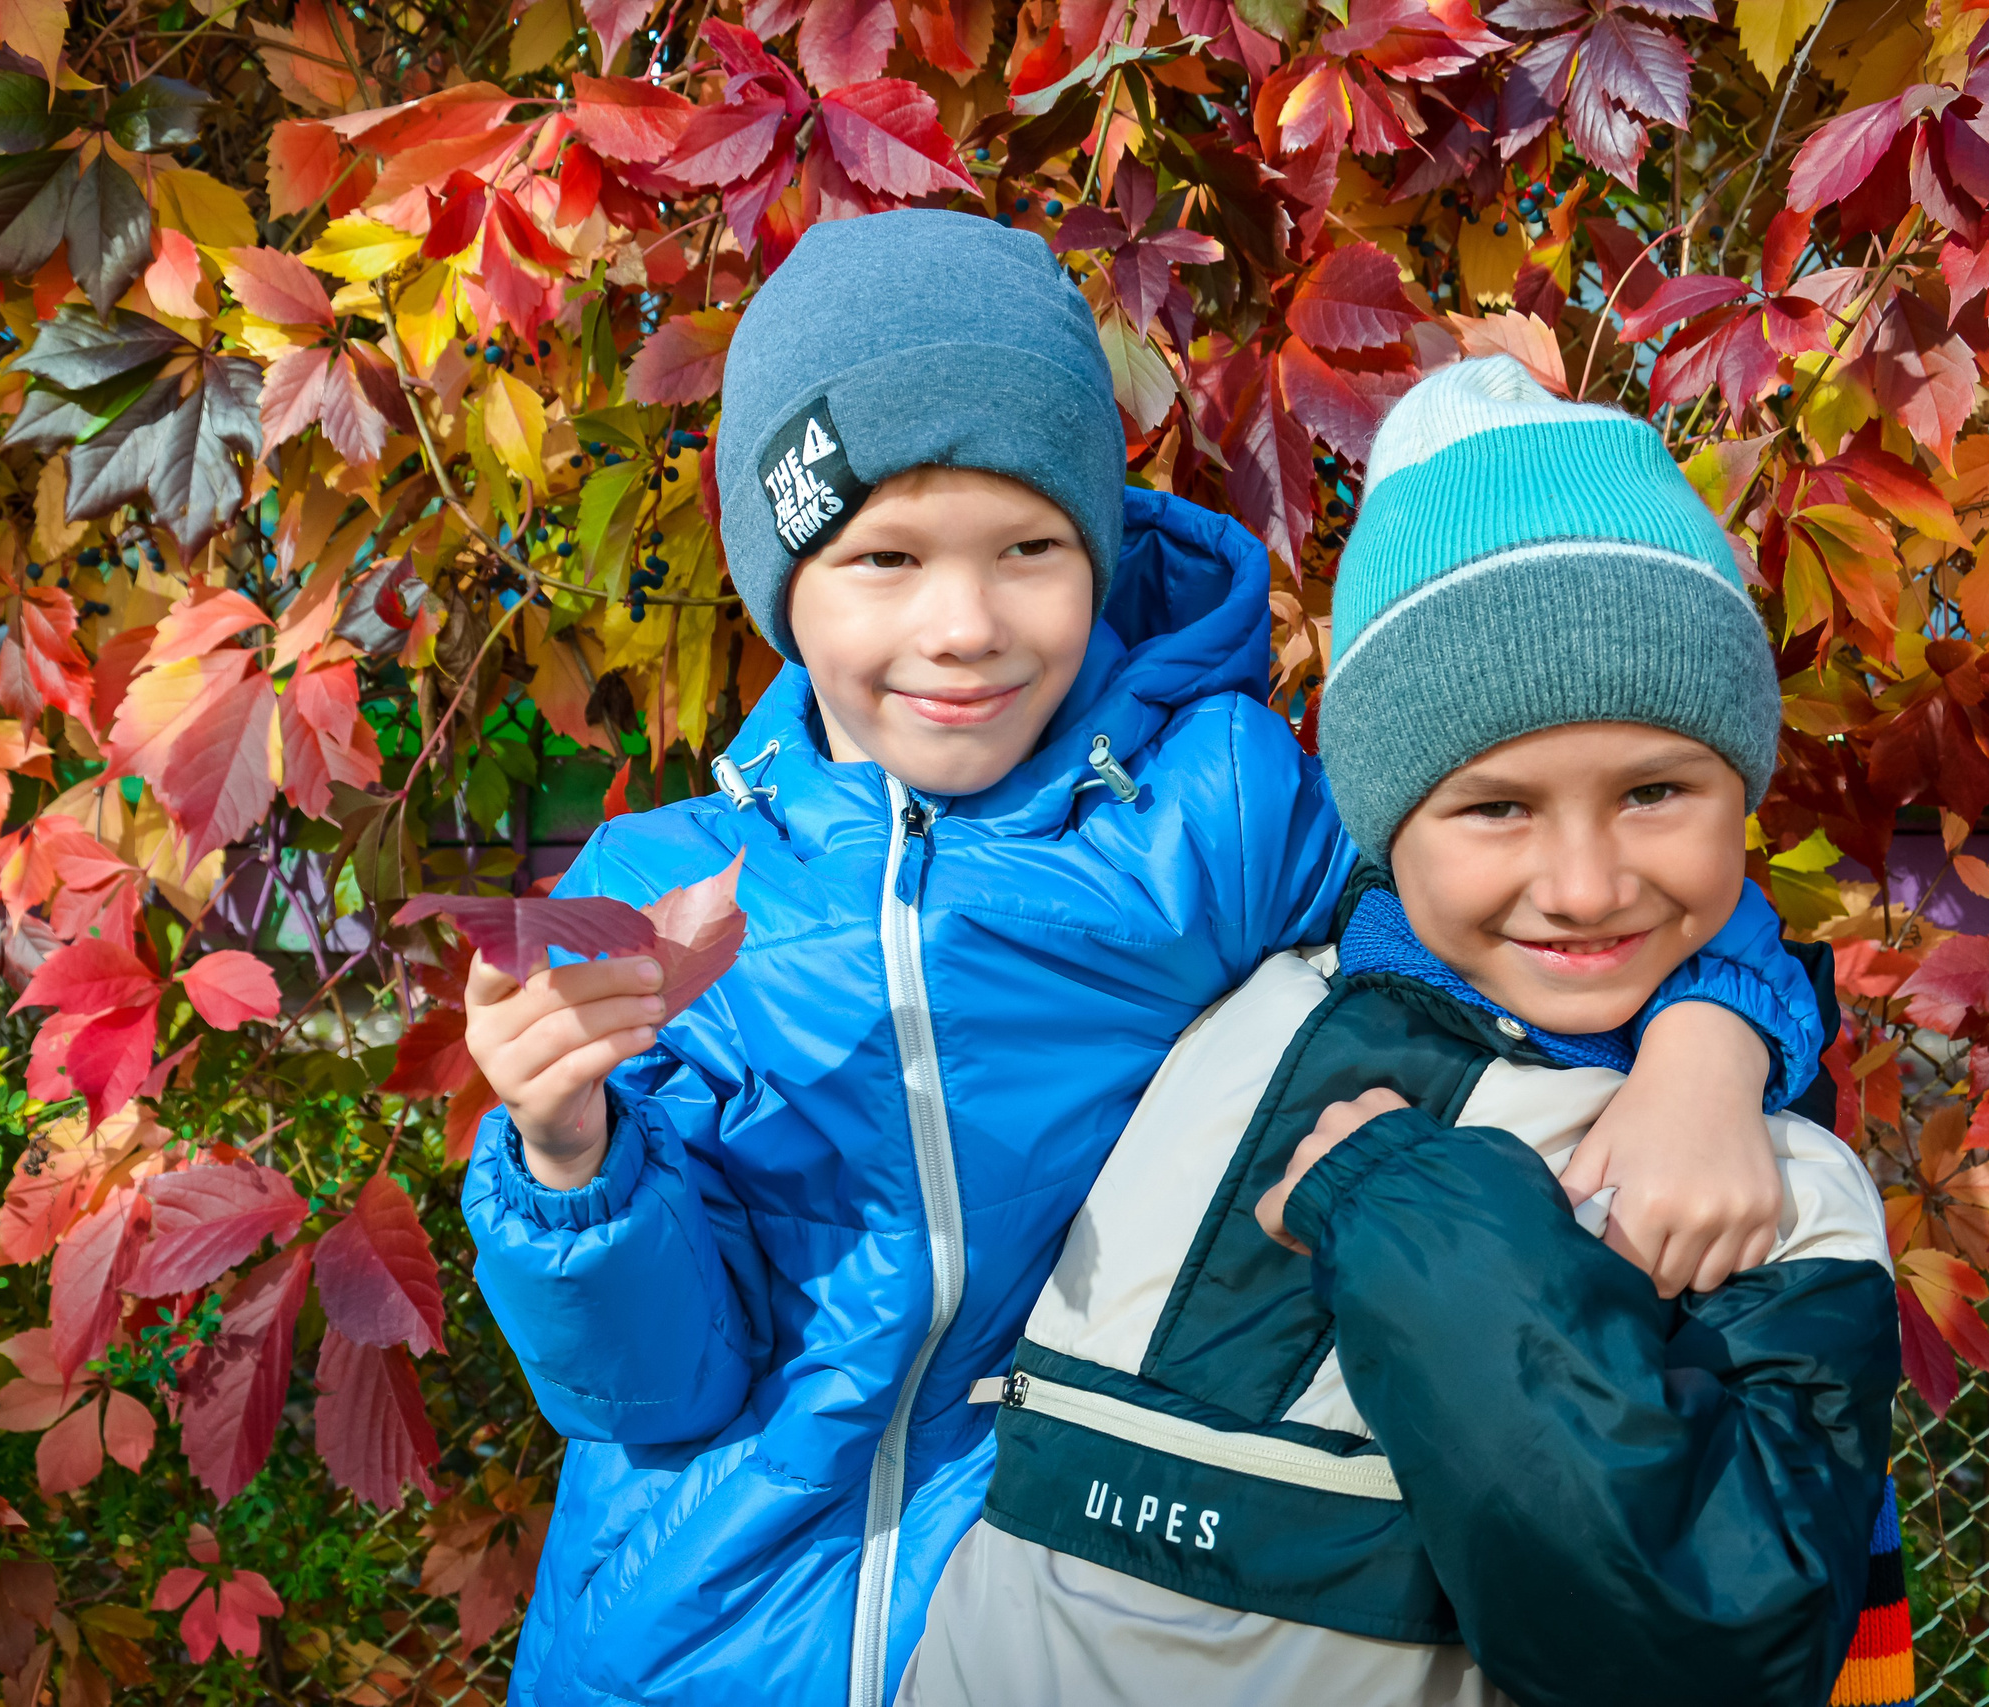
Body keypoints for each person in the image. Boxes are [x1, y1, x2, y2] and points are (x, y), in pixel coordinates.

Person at [457, 218, 1831, 1707]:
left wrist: (1710, 1043)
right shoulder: (654, 894)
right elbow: (651, 1388)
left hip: (1034, 1631)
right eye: (885, 560)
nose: (963, 626)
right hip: (681, 1646)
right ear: (781, 577)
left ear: (1098, 548)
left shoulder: (1214, 816)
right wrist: (567, 1154)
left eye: (1029, 549)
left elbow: (1533, 909)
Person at [900, 356, 1912, 1707]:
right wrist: (1725, 1019)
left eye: (1657, 791)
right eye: (1495, 807)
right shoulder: (1235, 995)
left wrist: (1410, 1209)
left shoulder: (1760, 1192)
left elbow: (1698, 1649)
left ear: (1747, 789)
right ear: (1386, 818)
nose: (1585, 886)